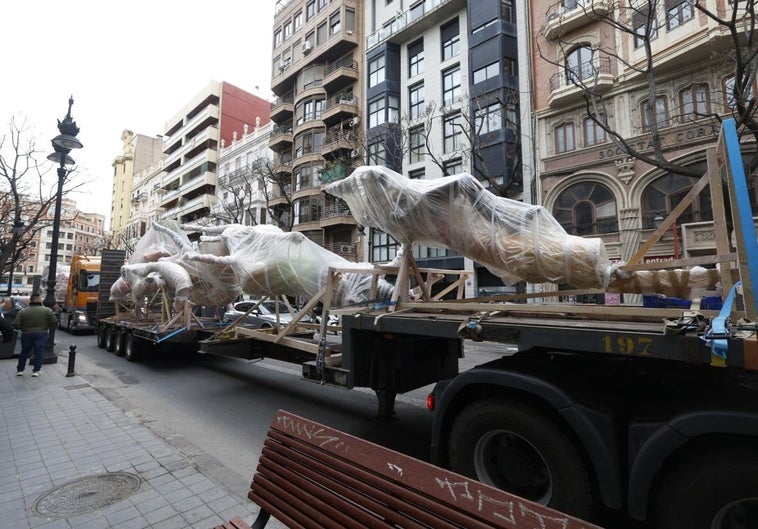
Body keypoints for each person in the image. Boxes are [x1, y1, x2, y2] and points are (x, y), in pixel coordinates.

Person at [13, 294, 57, 377]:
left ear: (31, 301)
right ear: (39, 300)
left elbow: (16, 324)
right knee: (39, 352)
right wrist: (47, 326)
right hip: (41, 333)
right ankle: (36, 371)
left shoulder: (23, 311)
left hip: (26, 334)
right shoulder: (47, 311)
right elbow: (54, 321)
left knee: (24, 352)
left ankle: (20, 370)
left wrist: (23, 328)